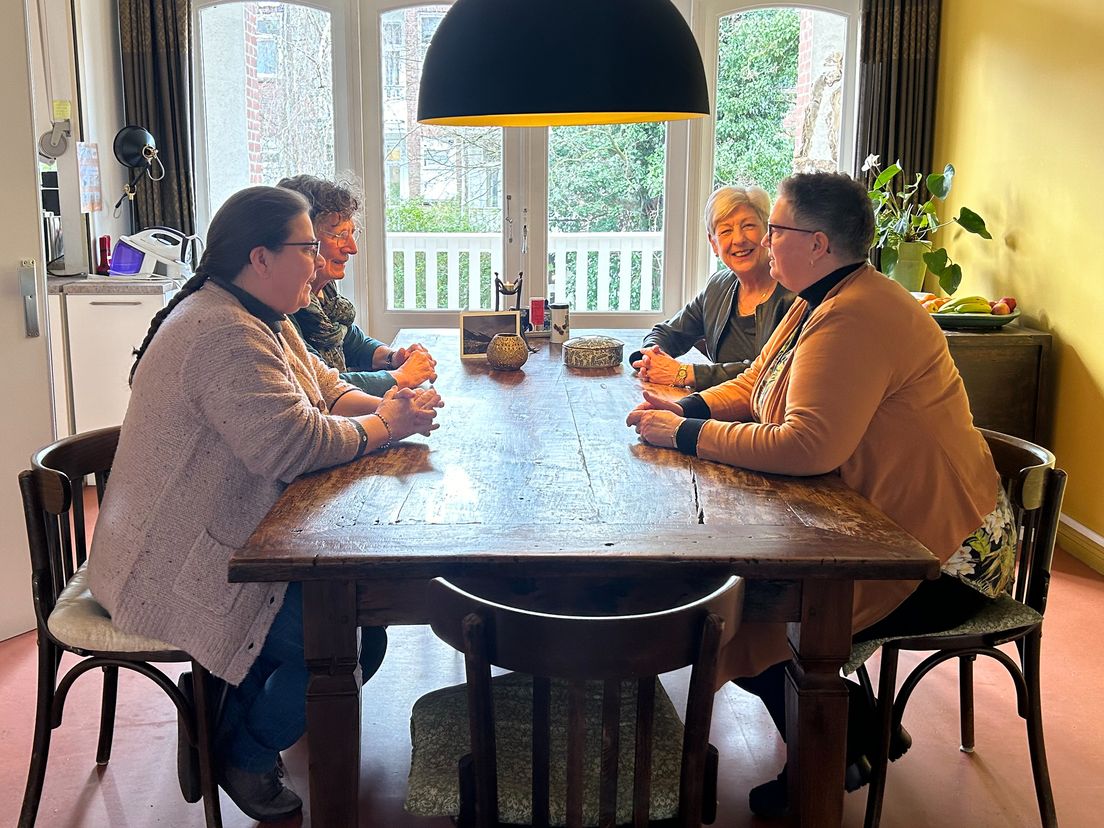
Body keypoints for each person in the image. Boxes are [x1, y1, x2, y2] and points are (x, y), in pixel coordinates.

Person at [626, 172, 1014, 818]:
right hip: (885, 521)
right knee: (750, 605)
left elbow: (806, 447)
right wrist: (686, 407)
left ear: (818, 242)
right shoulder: (814, 300)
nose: (764, 241)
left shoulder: (858, 314)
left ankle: (832, 754)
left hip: (948, 553)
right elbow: (755, 384)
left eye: (774, 229)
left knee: (752, 613)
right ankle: (860, 734)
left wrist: (687, 435)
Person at [87, 186, 444, 822]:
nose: (322, 259)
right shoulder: (221, 331)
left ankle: (227, 708)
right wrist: (390, 425)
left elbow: (326, 392)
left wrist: (394, 408)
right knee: (348, 641)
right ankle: (241, 753)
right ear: (261, 257)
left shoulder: (260, 316)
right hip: (170, 564)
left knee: (360, 628)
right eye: (309, 246)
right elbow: (294, 444)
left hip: (221, 541)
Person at [277, 174, 438, 395]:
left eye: (353, 234)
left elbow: (348, 338)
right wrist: (400, 377)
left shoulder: (325, 291)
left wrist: (393, 358)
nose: (352, 248)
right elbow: (320, 385)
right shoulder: (282, 303)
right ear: (305, 235)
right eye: (340, 235)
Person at [628, 185, 795, 389]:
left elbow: (771, 372)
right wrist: (651, 359)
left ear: (767, 232)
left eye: (748, 226)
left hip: (768, 417)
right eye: (725, 231)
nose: (739, 239)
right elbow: (668, 333)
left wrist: (686, 373)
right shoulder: (719, 286)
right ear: (714, 244)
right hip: (718, 409)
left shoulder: (795, 294)